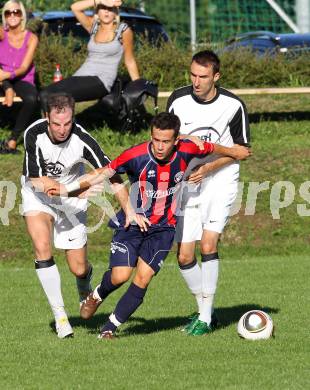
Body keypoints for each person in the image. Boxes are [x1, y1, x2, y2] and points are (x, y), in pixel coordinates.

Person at [47, 112, 251, 339]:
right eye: (156, 140)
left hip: (164, 229)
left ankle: (109, 328)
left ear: (176, 140)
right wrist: (67, 189)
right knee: (120, 275)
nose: (160, 146)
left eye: (165, 141)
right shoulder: (135, 155)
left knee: (143, 277)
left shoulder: (187, 149)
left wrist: (234, 152)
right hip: (132, 224)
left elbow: (210, 147)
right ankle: (96, 295)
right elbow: (104, 173)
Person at [21, 92, 144, 339]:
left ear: (73, 118)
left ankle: (84, 282)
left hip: (73, 196)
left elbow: (111, 172)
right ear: (47, 118)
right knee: (42, 247)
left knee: (78, 268)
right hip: (40, 195)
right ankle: (61, 317)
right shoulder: (33, 134)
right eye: (56, 124)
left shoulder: (82, 138)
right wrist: (69, 193)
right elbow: (36, 179)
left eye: (67, 123)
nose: (62, 129)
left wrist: (129, 209)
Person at [166, 50, 251, 335]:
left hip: (221, 178)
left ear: (216, 76)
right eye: (193, 75)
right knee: (184, 257)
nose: (196, 81)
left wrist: (210, 167)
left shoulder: (233, 105)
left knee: (208, 246)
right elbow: (168, 140)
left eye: (203, 76)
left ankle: (204, 318)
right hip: (188, 183)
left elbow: (242, 151)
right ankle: (207, 311)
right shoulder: (177, 100)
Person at [39, 0, 139, 112]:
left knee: (57, 96)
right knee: (44, 94)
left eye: (110, 9)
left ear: (115, 12)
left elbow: (129, 60)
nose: (106, 12)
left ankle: (62, 127)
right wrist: (100, 0)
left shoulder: (123, 30)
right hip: (81, 76)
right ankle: (52, 126)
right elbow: (75, 7)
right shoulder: (93, 26)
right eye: (103, 8)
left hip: (101, 80)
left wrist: (138, 87)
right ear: (97, 11)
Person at [0, 0, 38, 154]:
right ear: (4, 16)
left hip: (21, 78)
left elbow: (23, 68)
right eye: (8, 12)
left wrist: (6, 76)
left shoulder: (31, 38)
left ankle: (13, 140)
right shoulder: (2, 33)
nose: (12, 15)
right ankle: (7, 87)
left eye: (16, 12)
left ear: (22, 16)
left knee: (31, 99)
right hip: (2, 76)